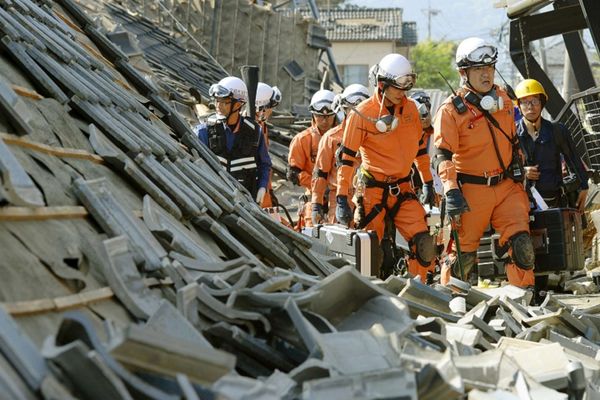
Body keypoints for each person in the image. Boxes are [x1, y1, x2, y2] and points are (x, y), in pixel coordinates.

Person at [432, 37, 535, 288]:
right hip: (471, 190)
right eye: (479, 69)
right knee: (462, 255)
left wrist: (519, 166)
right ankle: (451, 303)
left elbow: (512, 139)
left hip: (506, 186)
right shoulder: (450, 111)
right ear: (463, 73)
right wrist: (451, 190)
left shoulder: (504, 99)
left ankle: (524, 299)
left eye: (489, 68)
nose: (486, 74)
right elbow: (442, 154)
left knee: (522, 244)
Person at [336, 53, 436, 281]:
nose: (404, 93)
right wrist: (342, 197)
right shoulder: (362, 114)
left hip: (403, 189)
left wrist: (428, 182)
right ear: (382, 85)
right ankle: (371, 295)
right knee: (368, 252)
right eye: (398, 88)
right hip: (372, 191)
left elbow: (420, 149)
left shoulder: (410, 109)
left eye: (407, 88)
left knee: (424, 244)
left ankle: (418, 292)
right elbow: (347, 159)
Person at [195, 76, 272, 204]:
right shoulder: (203, 132)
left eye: (224, 102)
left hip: (247, 204)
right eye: (217, 101)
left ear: (238, 104)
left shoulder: (255, 132)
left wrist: (262, 187)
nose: (218, 106)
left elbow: (264, 164)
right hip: (214, 203)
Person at [515, 78, 588, 210]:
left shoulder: (557, 131)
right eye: (525, 102)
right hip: (522, 203)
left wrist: (584, 186)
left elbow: (574, 160)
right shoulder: (511, 134)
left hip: (555, 202)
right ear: (519, 105)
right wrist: (522, 172)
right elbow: (503, 166)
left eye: (535, 101)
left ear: (542, 103)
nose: (530, 106)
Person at [311, 84, 369, 224]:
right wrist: (316, 204)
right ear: (344, 109)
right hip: (340, 199)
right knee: (341, 242)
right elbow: (320, 174)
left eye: (362, 109)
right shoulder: (331, 138)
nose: (357, 114)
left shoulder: (376, 136)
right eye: (352, 109)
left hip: (370, 197)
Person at [287, 89, 337, 226]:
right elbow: (293, 173)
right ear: (313, 115)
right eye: (320, 116)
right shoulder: (302, 140)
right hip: (313, 200)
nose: (325, 120)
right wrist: (319, 186)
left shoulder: (345, 137)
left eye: (329, 116)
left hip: (340, 199)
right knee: (312, 237)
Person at [255, 82, 282, 208]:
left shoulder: (262, 127)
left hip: (262, 185)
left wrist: (269, 190)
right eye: (270, 107)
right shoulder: (250, 128)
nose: (271, 112)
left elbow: (264, 163)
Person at [409, 90, 436, 207]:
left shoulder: (438, 134)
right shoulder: (407, 135)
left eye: (427, 108)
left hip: (435, 186)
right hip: (411, 188)